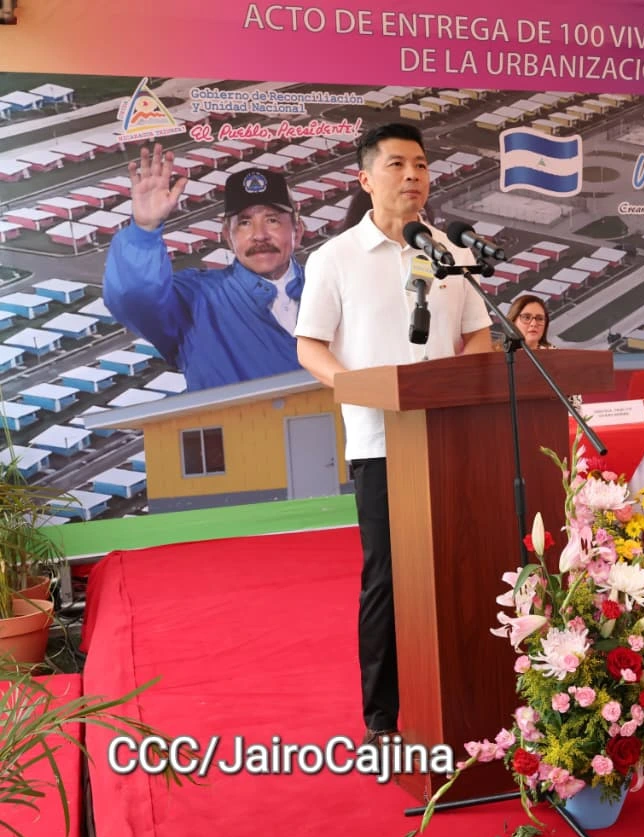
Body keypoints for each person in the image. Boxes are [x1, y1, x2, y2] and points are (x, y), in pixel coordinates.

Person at [294, 123, 492, 744]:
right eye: (398, 165)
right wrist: (360, 389)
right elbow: (310, 346)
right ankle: (382, 719)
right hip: (381, 444)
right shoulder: (334, 258)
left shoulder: (449, 252)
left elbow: (479, 334)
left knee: (461, 567)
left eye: (422, 165)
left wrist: (459, 383)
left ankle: (466, 695)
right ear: (365, 178)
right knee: (387, 579)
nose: (413, 176)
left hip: (452, 440)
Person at [103, 142, 305, 392]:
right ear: (228, 237)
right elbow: (134, 298)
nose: (259, 235)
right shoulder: (196, 300)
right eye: (244, 223)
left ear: (297, 230)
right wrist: (144, 233)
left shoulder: (334, 290)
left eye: (272, 220)